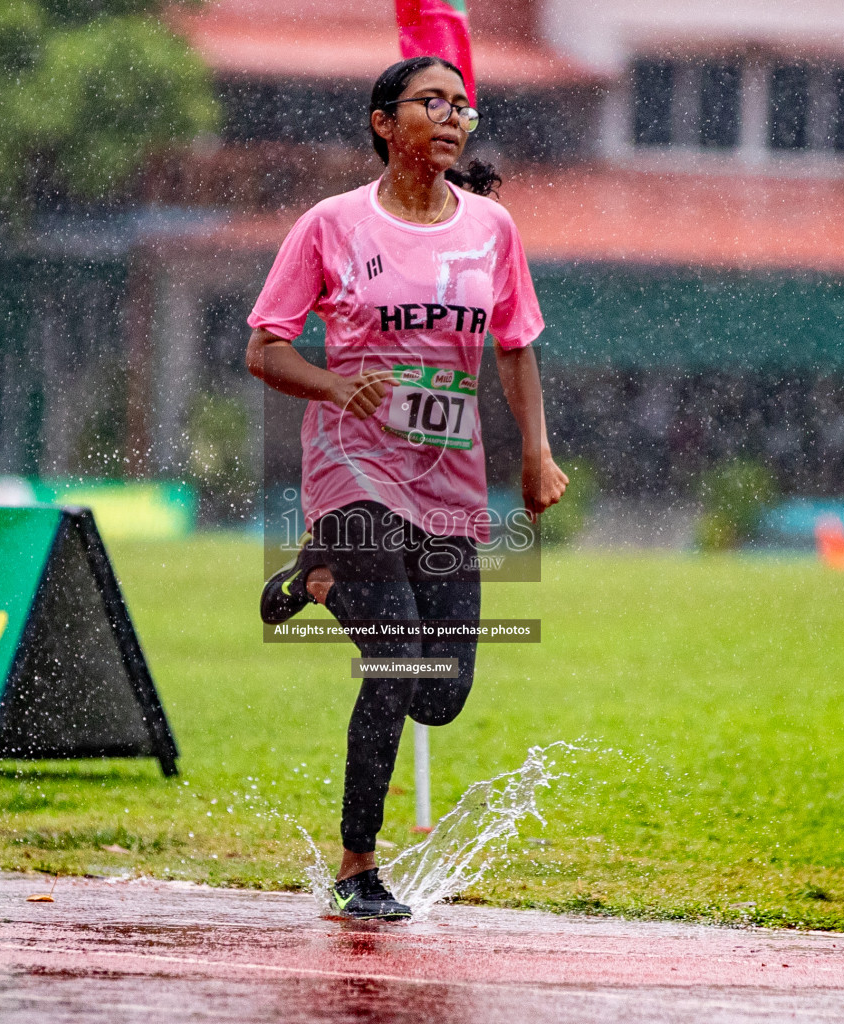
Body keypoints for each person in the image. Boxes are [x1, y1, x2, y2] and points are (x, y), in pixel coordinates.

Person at [244, 56, 567, 921]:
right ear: (386, 122)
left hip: (449, 478)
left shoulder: (491, 230)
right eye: (433, 102)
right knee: (395, 658)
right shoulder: (330, 225)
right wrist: (330, 384)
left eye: (463, 105)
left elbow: (515, 346)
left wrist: (535, 452)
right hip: (352, 469)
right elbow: (264, 348)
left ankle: (315, 578)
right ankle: (358, 866)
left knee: (441, 691)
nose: (454, 117)